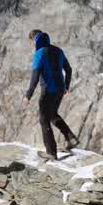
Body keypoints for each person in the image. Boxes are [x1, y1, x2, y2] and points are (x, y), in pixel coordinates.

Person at [24, 29, 78, 159]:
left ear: (34, 40)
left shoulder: (39, 54)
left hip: (48, 91)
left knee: (44, 120)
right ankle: (71, 138)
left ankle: (51, 152)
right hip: (60, 90)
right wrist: (66, 86)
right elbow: (68, 69)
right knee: (53, 114)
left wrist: (28, 95)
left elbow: (35, 77)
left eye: (32, 42)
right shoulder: (58, 51)